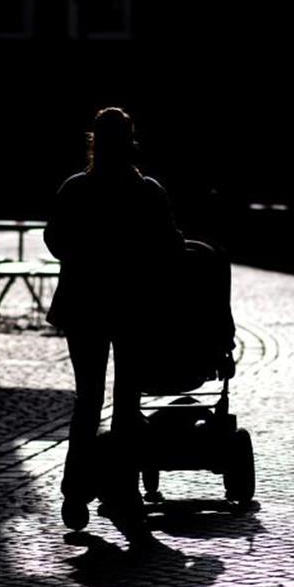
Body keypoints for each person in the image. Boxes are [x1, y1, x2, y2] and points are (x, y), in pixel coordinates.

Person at [43, 107, 185, 541]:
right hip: (132, 308)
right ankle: (123, 491)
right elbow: (170, 247)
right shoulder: (146, 192)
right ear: (131, 141)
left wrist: (85, 256)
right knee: (126, 402)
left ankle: (75, 490)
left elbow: (54, 239)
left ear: (95, 143)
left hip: (84, 306)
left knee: (87, 399)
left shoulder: (77, 188)